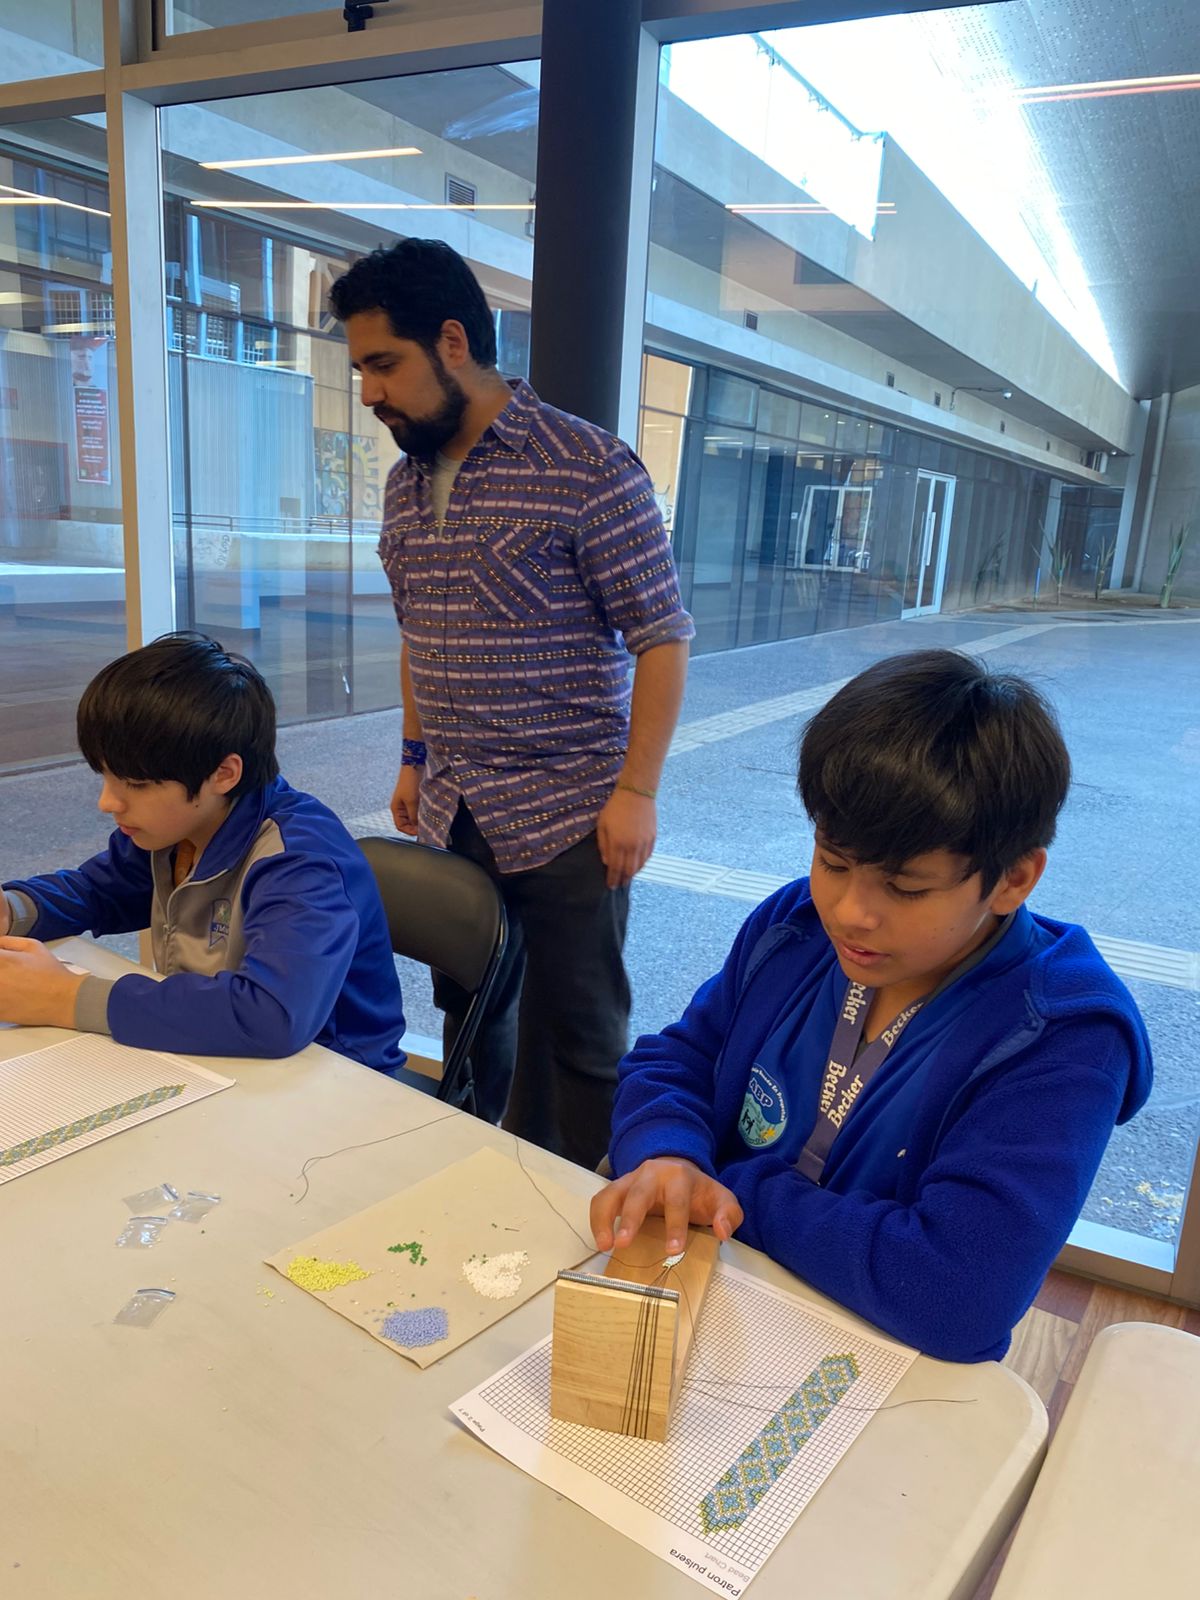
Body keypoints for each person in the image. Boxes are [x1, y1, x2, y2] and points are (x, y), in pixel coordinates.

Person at [592, 649, 1152, 1362]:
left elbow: (958, 1294)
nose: (851, 913)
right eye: (833, 861)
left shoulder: (1061, 1038)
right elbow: (679, 1056)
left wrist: (724, 1188)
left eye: (906, 888)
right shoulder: (793, 927)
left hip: (881, 1367)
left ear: (1013, 879)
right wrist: (668, 1152)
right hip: (716, 1303)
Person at [330, 239, 693, 1168]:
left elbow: (662, 636)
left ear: (452, 341)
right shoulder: (407, 484)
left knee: (580, 1033)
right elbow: (419, 632)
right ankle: (478, 1186)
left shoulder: (588, 467)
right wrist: (414, 758)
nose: (369, 392)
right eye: (361, 367)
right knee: (473, 1012)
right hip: (459, 807)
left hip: (574, 811)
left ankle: (576, 1215)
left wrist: (637, 793)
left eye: (383, 363)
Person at [0, 632, 406, 1070]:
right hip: (226, 1060)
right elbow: (98, 891)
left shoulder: (300, 862)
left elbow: (271, 1015)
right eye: (105, 776)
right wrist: (12, 909)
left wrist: (66, 997)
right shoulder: (172, 828)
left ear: (224, 774)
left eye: (135, 785)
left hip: (337, 1081)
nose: (108, 802)